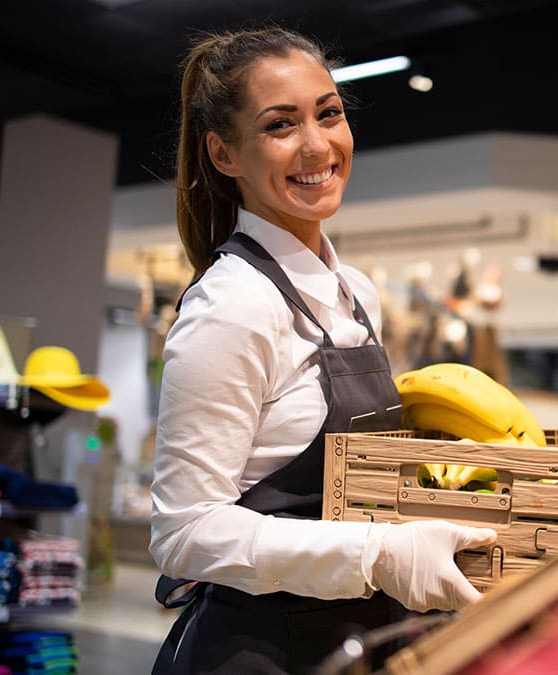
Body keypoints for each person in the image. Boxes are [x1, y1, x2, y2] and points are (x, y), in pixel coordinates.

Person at [148, 26, 497, 673]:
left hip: (359, 636)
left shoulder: (356, 293)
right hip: (260, 649)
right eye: (281, 125)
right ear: (224, 154)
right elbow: (183, 531)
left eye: (328, 113)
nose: (317, 145)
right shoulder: (232, 305)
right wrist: (376, 554)